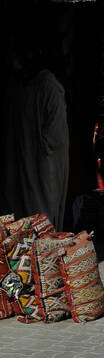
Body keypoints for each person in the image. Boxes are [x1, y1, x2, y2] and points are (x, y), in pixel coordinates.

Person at [0, 43, 69, 229]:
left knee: (40, 204)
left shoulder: (48, 87)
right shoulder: (18, 87)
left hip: (43, 166)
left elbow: (56, 138)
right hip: (27, 164)